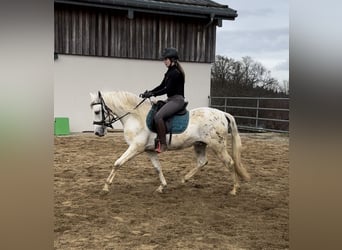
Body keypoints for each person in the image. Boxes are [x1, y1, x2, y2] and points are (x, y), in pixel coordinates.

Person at [140, 47, 186, 153]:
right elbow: (161, 86)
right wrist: (150, 92)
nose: (164, 61)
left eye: (166, 59)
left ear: (172, 60)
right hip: (170, 100)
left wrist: (153, 94)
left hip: (177, 101)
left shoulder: (176, 73)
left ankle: (163, 144)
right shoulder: (169, 72)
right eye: (164, 59)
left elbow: (167, 89)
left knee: (158, 116)